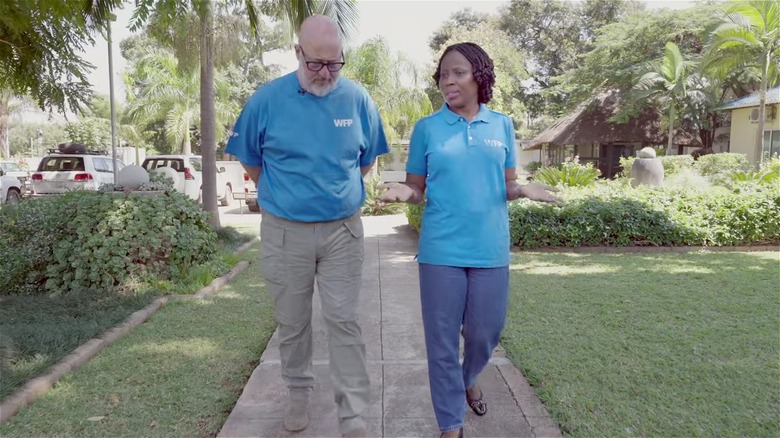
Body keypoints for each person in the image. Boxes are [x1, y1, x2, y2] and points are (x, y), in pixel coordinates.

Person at [379, 42, 561, 438]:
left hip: (490, 249)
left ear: (480, 75)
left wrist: (524, 189)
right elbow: (417, 188)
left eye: (458, 72)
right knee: (442, 341)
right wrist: (401, 192)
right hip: (441, 250)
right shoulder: (428, 128)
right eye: (443, 74)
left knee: (484, 332)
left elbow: (508, 184)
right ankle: (450, 425)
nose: (449, 81)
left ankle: (468, 377)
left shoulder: (502, 125)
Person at [225, 15, 389, 438]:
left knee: (344, 319)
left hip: (342, 232)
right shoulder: (266, 100)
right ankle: (298, 392)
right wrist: (283, 197)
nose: (325, 73)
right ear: (298, 53)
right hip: (284, 232)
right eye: (316, 63)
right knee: (293, 321)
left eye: (334, 64)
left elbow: (367, 160)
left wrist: (336, 193)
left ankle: (352, 410)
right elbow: (250, 159)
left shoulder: (357, 99)